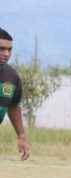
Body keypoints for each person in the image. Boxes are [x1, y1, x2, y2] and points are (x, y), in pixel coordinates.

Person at [0, 27, 30, 161]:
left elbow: (13, 106)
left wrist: (21, 135)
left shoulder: (11, 76)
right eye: (1, 49)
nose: (6, 54)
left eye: (9, 49)